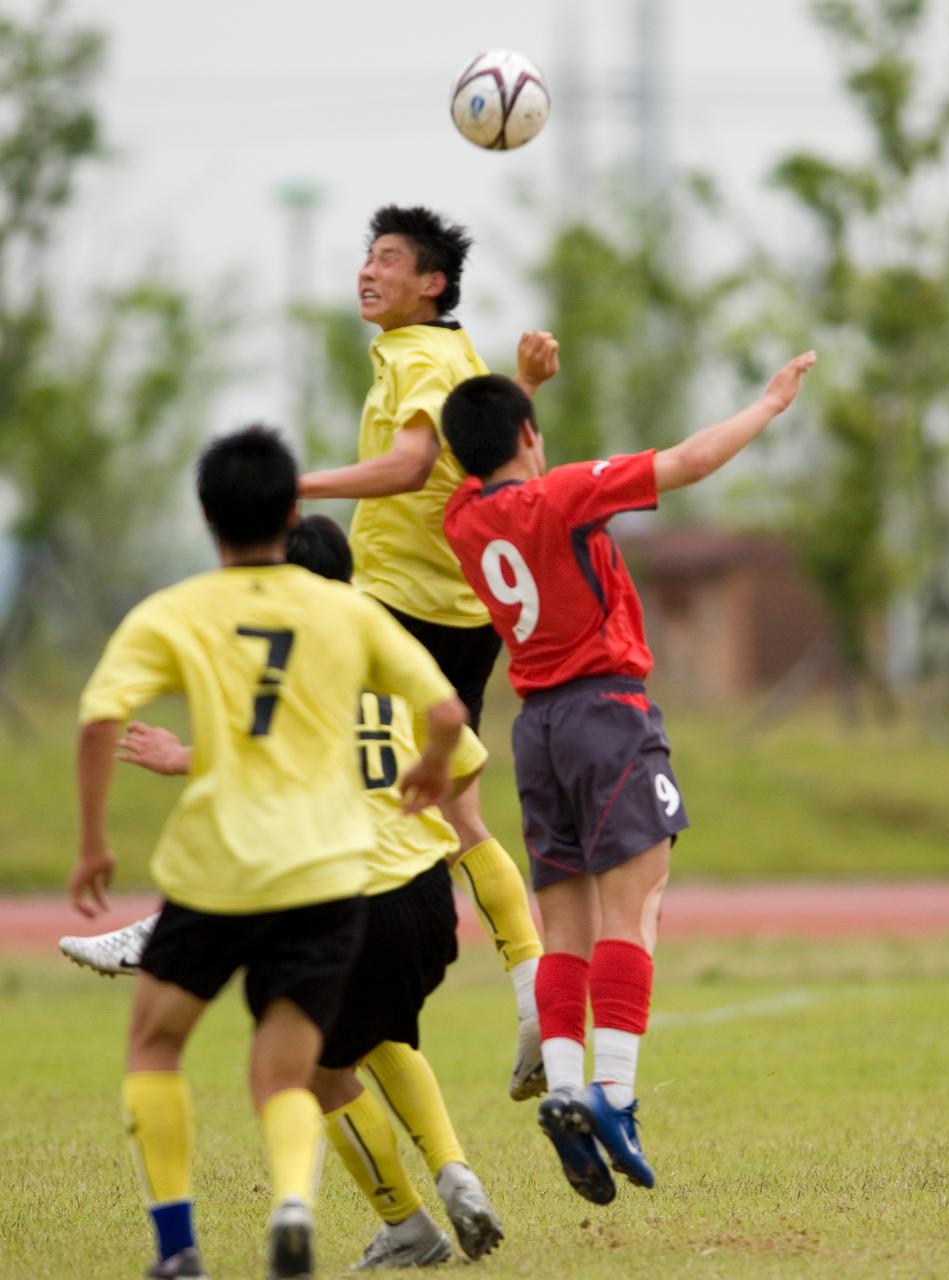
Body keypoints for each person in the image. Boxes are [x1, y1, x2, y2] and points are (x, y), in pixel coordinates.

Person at [70, 427, 467, 1280]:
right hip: (323, 875)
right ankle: (294, 1200)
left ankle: (177, 1247)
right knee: (288, 1068)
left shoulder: (175, 610)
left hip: (215, 869)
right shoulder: (346, 610)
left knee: (155, 1045)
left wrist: (94, 841)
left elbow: (101, 718)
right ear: (293, 509)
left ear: (208, 517)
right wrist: (431, 773)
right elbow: (444, 715)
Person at [440, 352, 817, 1204]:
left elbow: (491, 460)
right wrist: (766, 405)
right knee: (635, 907)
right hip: (607, 713)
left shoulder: (461, 519)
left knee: (563, 925)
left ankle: (568, 1092)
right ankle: (614, 1096)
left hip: (533, 729)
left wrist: (516, 398)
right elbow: (686, 462)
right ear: (531, 436)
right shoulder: (565, 491)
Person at [298, 204, 560, 1100]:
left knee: (286, 737)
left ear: (431, 284)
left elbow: (412, 466)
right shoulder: (456, 352)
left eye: (388, 260)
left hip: (400, 608)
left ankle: (190, 923)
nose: (367, 272)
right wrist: (528, 387)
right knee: (458, 811)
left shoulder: (418, 357)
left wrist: (295, 484)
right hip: (461, 610)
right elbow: (493, 459)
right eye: (365, 257)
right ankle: (533, 985)